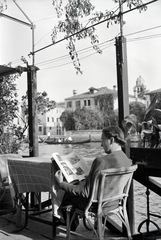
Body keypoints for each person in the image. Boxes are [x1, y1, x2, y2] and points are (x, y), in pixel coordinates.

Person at [55, 126, 132, 230]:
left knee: (65, 194)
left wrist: (61, 184)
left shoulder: (101, 161)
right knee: (72, 190)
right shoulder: (128, 161)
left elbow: (85, 192)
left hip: (96, 205)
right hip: (115, 203)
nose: (101, 144)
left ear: (112, 140)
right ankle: (70, 223)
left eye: (102, 140)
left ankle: (69, 224)